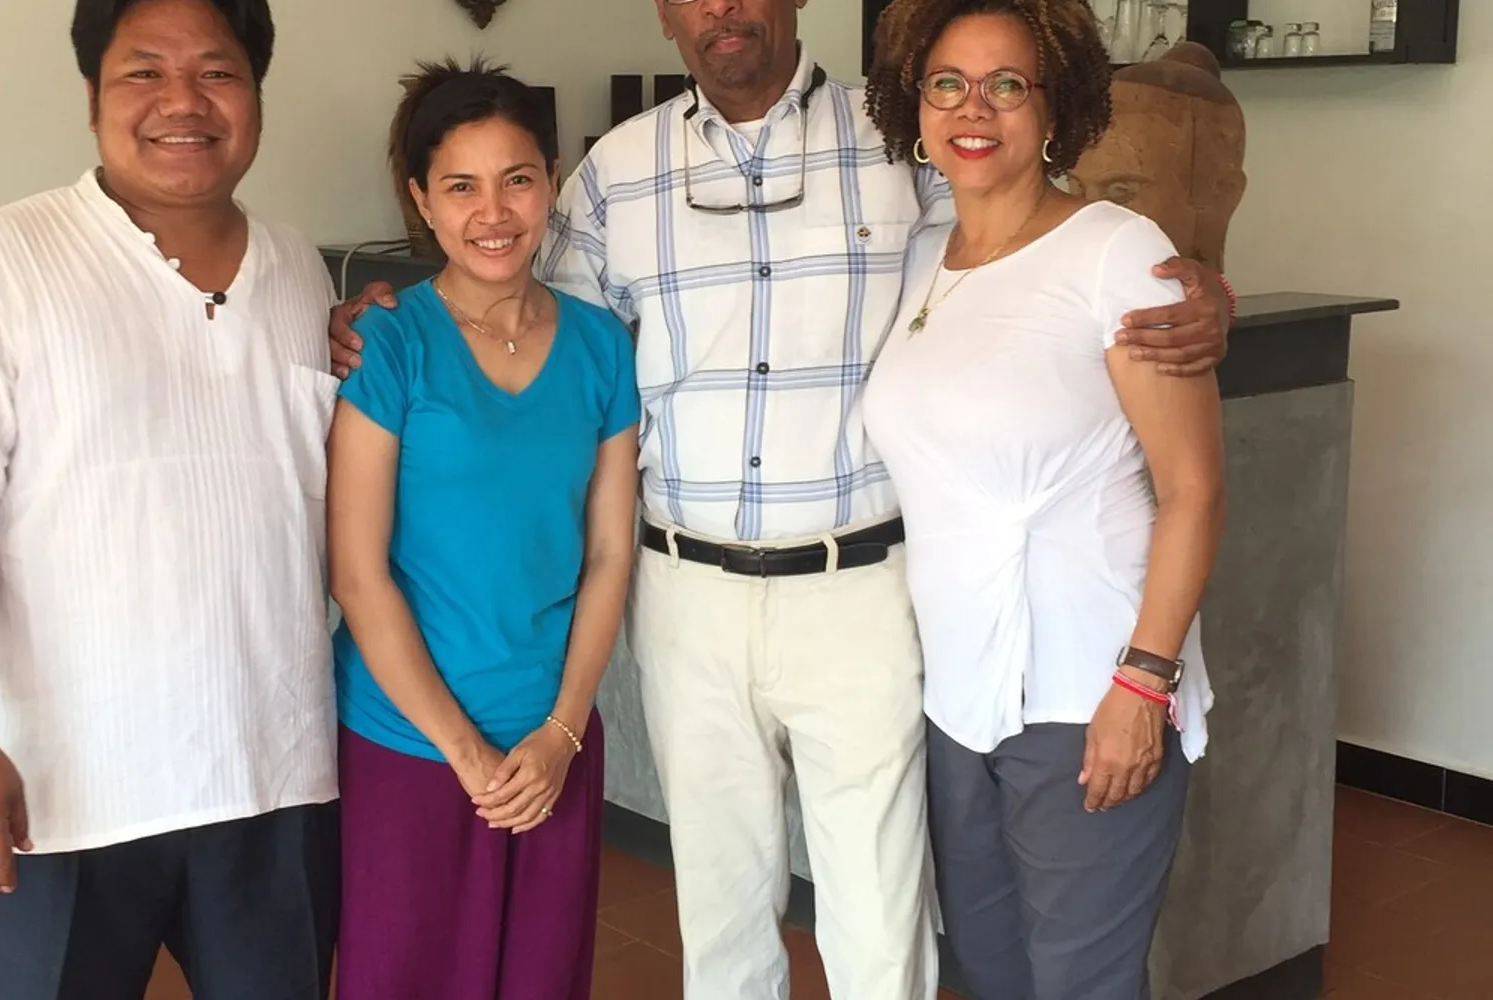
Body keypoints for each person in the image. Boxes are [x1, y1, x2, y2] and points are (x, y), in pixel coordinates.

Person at [329, 1, 1233, 997]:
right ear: (667, 13)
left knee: (879, 916)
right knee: (722, 914)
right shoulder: (614, 175)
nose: (724, 7)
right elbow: (507, 298)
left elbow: (1027, 234)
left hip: (859, 586)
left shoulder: (904, 143)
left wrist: (1188, 283)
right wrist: (374, 316)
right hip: (686, 590)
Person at [0, 0, 340, 996]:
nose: (183, 102)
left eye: (217, 72)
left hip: (276, 772)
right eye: (144, 72)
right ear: (92, 97)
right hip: (63, 790)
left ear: (256, 93)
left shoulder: (301, 268)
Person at [858, 2, 1224, 998]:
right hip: (959, 696)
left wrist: (1143, 685)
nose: (974, 109)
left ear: (1056, 107)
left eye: (1007, 85)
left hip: (1086, 688)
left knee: (1081, 981)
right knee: (991, 971)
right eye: (948, 83)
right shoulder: (923, 256)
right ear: (915, 104)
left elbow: (1194, 491)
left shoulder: (1116, 252)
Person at [326, 59, 640, 1000]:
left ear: (553, 182)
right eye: (460, 186)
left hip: (551, 743)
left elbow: (608, 554)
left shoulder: (600, 345)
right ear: (422, 200)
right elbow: (357, 573)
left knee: (541, 980)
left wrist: (562, 731)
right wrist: (465, 751)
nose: (493, 213)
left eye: (517, 180)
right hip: (409, 742)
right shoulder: (388, 345)